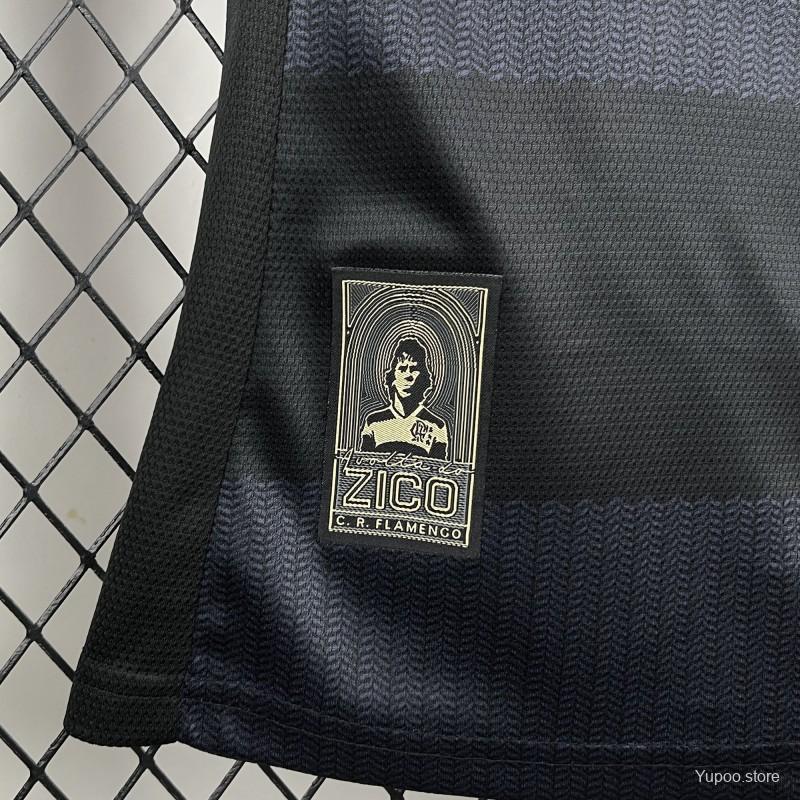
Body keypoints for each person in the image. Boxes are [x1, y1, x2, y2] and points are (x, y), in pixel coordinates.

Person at [359, 337, 449, 459]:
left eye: (414, 369)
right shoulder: (373, 422)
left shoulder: (436, 425)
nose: (408, 375)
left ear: (423, 378)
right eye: (402, 369)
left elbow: (439, 468)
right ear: (392, 376)